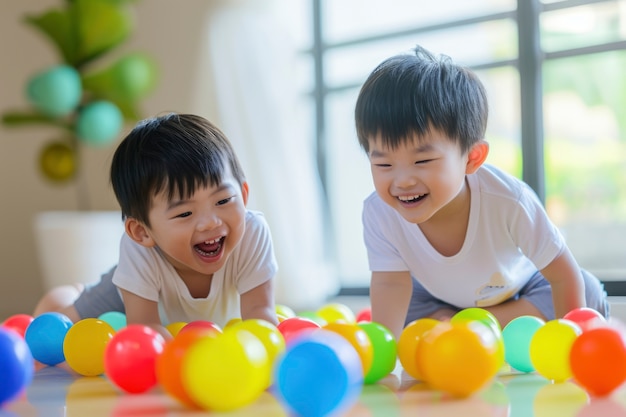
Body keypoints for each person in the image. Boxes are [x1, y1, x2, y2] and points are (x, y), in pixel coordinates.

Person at [354, 45, 609, 340]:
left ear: (472, 158)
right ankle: (463, 325)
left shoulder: (508, 201)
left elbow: (562, 274)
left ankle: (466, 325)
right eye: (383, 163)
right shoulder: (379, 212)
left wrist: (568, 346)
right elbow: (390, 285)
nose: (403, 181)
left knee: (586, 291)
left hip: (521, 289)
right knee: (402, 306)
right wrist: (385, 355)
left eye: (422, 161)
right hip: (439, 298)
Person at [34, 113, 279, 338]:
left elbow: (260, 313)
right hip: (133, 291)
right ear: (142, 232)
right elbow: (145, 330)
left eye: (223, 200)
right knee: (59, 325)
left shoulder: (252, 233)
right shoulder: (139, 251)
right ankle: (72, 292)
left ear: (244, 195)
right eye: (185, 213)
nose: (210, 223)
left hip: (182, 316)